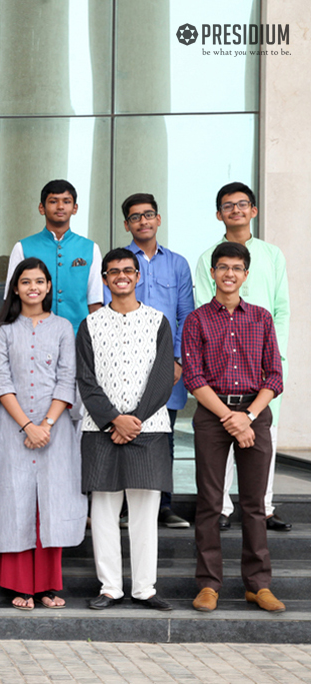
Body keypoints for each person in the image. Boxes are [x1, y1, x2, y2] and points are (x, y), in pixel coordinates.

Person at [183, 242, 285, 613]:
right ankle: (208, 585)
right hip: (213, 415)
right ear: (212, 273)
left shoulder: (261, 318)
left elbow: (274, 376)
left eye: (237, 268)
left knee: (254, 505)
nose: (229, 274)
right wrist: (230, 417)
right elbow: (193, 378)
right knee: (210, 503)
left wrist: (249, 417)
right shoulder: (196, 320)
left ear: (246, 274)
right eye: (223, 267)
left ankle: (258, 586)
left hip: (255, 413)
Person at [0, 258, 86, 610]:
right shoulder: (3, 332)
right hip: (12, 430)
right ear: (15, 288)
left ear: (48, 287)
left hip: (55, 430)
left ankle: (46, 586)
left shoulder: (62, 327)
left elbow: (67, 378)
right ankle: (19, 586)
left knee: (50, 503)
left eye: (39, 281)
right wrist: (28, 426)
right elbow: (0, 382)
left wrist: (47, 425)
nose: (33, 287)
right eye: (26, 281)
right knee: (15, 502)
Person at [77, 248, 174, 612]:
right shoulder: (90, 324)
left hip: (149, 430)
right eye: (114, 271)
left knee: (145, 515)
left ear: (137, 276)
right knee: (103, 513)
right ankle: (110, 587)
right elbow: (85, 379)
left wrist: (132, 420)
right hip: (100, 430)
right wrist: (113, 420)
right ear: (104, 279)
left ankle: (145, 588)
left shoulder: (158, 321)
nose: (121, 276)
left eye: (128, 270)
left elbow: (163, 377)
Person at [193, 182, 290, 532]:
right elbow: (204, 310)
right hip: (220, 370)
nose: (236, 210)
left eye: (242, 204)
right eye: (228, 205)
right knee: (223, 431)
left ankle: (264, 506)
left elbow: (281, 309)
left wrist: (274, 357)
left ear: (254, 210)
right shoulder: (208, 258)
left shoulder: (272, 255)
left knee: (264, 435)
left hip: (263, 368)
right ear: (219, 214)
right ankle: (220, 507)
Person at [104, 193, 194, 530]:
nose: (143, 221)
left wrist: (177, 360)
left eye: (148, 214)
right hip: (125, 366)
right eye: (135, 217)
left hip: (167, 367)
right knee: (128, 432)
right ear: (126, 224)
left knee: (163, 438)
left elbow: (186, 315)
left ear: (158, 219)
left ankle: (163, 506)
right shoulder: (120, 263)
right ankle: (129, 506)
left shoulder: (178, 264)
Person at [5, 180, 103, 334]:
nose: (60, 207)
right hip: (33, 334)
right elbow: (11, 299)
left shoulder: (90, 249)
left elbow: (95, 301)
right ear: (41, 208)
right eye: (53, 201)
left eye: (66, 201)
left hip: (79, 335)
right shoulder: (22, 247)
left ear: (75, 208)